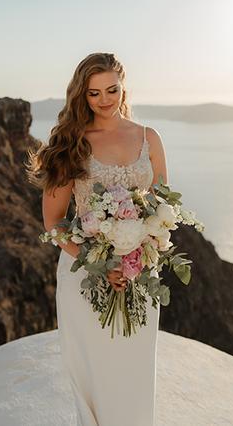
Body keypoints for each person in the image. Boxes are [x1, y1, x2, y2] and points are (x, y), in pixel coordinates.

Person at [27, 52, 168, 426]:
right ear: (81, 96)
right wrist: (99, 263)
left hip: (140, 273)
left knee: (135, 373)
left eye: (111, 89)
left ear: (123, 88)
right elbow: (54, 223)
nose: (104, 100)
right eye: (93, 93)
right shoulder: (70, 143)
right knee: (98, 375)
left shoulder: (149, 138)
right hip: (84, 274)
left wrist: (145, 248)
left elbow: (163, 208)